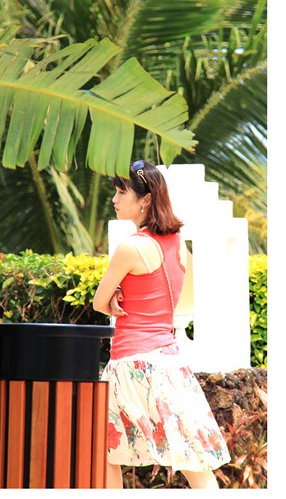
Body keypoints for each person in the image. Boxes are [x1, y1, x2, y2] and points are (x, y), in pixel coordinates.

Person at [93, 160, 230, 489]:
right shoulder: (177, 242)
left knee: (105, 452)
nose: (114, 199)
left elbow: (99, 302)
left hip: (131, 363)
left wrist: (116, 295)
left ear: (145, 199)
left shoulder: (131, 247)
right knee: (193, 458)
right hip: (170, 363)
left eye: (121, 192)